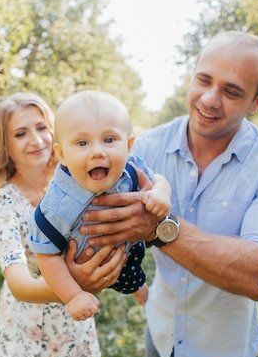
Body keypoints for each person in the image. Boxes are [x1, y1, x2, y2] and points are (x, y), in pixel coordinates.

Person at [77, 31, 258, 357]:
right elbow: (97, 216)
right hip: (162, 334)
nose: (209, 99)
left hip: (221, 356)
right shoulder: (145, 149)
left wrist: (158, 228)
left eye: (232, 91)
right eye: (203, 80)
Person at [0, 92, 125, 357]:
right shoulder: (6, 202)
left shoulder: (78, 178)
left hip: (70, 317)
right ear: (5, 146)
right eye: (20, 133)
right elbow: (18, 283)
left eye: (41, 128)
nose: (36, 140)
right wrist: (75, 287)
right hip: (31, 319)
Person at [28, 90, 172, 321]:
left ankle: (138, 287)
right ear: (62, 154)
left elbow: (157, 179)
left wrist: (160, 193)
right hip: (77, 268)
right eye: (82, 142)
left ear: (128, 145)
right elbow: (46, 256)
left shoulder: (131, 168)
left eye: (109, 140)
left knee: (132, 273)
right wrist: (74, 296)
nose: (97, 151)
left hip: (125, 250)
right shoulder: (57, 206)